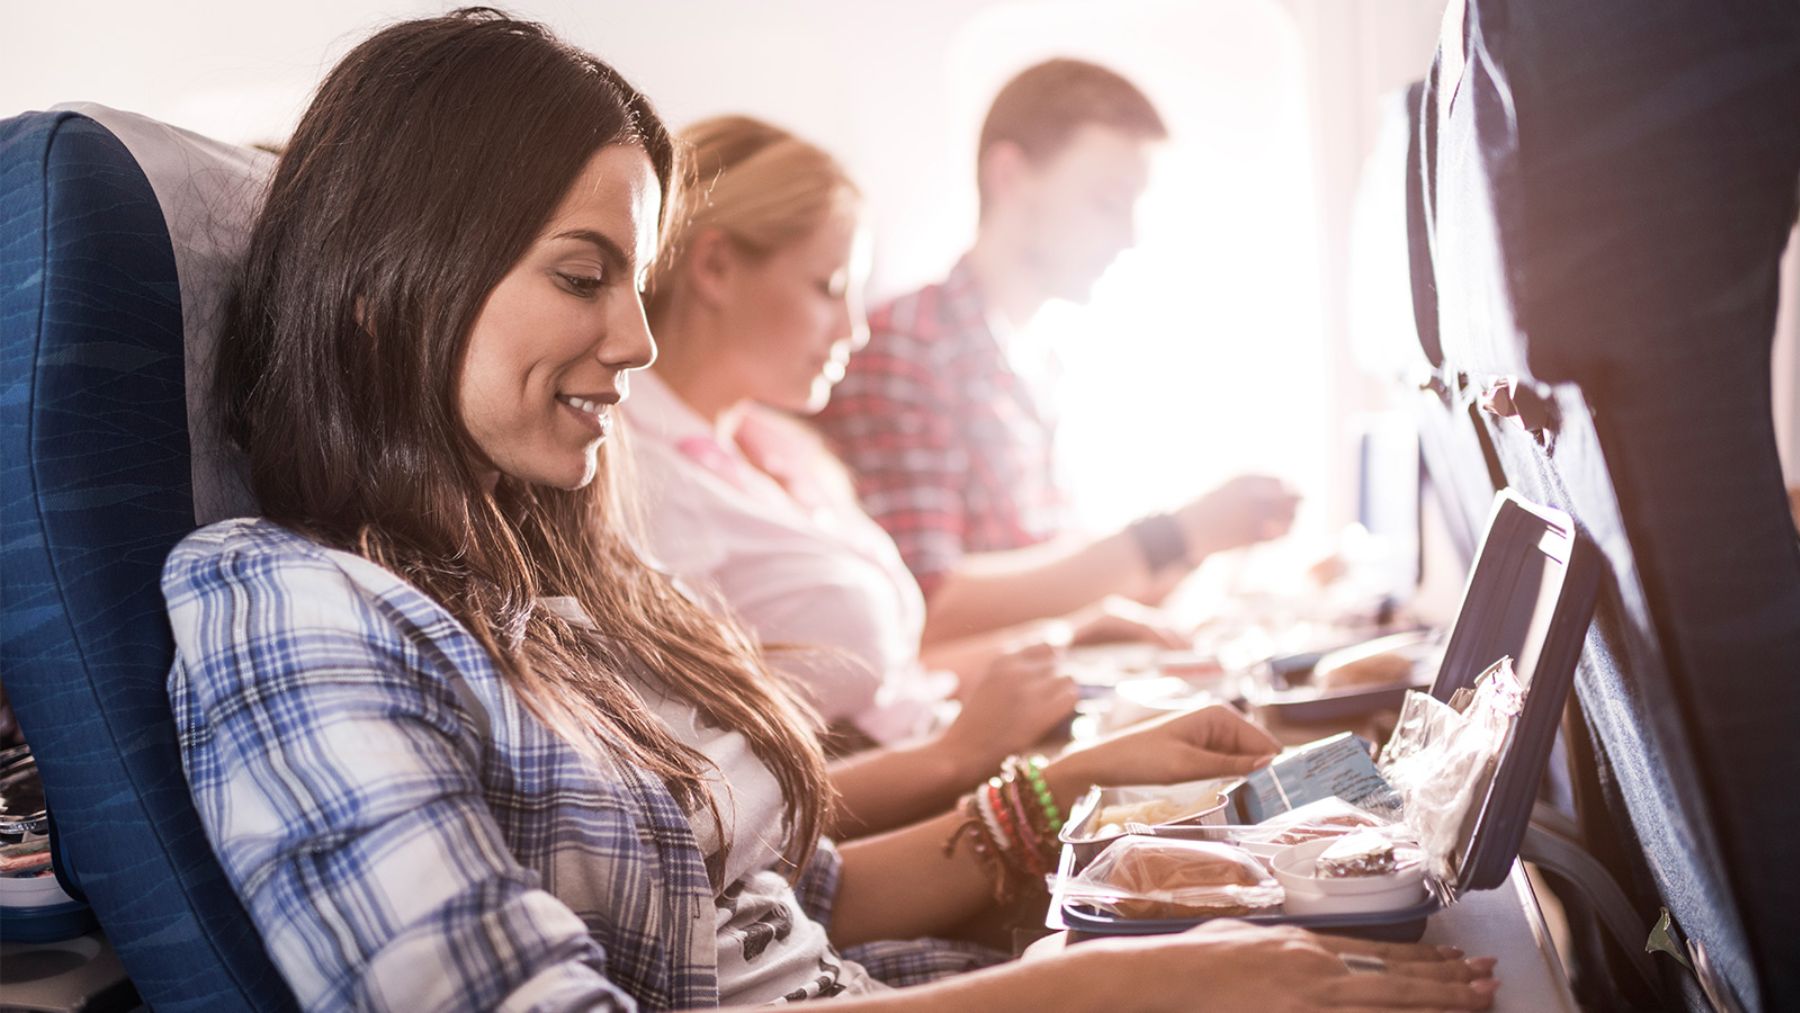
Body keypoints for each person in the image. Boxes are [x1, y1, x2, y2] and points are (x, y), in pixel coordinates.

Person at [164, 10, 1497, 1010]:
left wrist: (1084, 778)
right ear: (383, 285)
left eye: (634, 280)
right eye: (585, 277)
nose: (636, 340)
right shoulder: (285, 606)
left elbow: (801, 902)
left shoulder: (546, 585)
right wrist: (1126, 988)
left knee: (1488, 924)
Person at [631, 115, 1202, 833]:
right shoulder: (638, 479)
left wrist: (1064, 634)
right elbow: (729, 812)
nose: (854, 330)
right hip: (887, 821)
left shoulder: (777, 447)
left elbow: (887, 677)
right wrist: (962, 752)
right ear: (714, 269)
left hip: (937, 759)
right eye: (827, 285)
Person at [815, 59, 1301, 649]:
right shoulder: (907, 347)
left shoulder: (1041, 362)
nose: (1129, 236)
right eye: (1105, 201)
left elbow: (1056, 574)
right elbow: (926, 603)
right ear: (1010, 176)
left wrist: (1203, 544)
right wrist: (1171, 536)